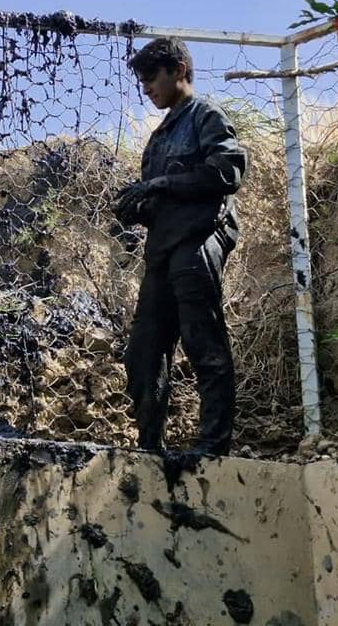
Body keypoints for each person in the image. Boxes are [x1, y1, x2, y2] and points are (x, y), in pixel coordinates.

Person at [113, 37, 247, 456]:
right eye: (142, 80)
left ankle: (212, 446)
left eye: (152, 77)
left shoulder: (205, 116)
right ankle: (151, 446)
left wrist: (162, 184)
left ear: (178, 71)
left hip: (199, 239)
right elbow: (161, 202)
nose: (147, 87)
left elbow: (228, 173)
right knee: (143, 355)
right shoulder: (158, 139)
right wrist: (138, 205)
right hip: (165, 248)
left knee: (203, 342)